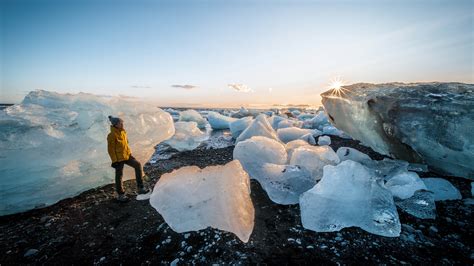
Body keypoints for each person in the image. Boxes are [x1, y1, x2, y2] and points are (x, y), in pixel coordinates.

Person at [107, 115, 149, 202]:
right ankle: (121, 195)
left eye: (122, 122)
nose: (122, 124)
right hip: (118, 159)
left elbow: (126, 146)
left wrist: (130, 154)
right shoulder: (112, 135)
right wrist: (114, 161)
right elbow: (110, 149)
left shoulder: (123, 132)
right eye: (120, 123)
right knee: (119, 175)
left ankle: (140, 188)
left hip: (126, 156)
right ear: (115, 124)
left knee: (137, 165)